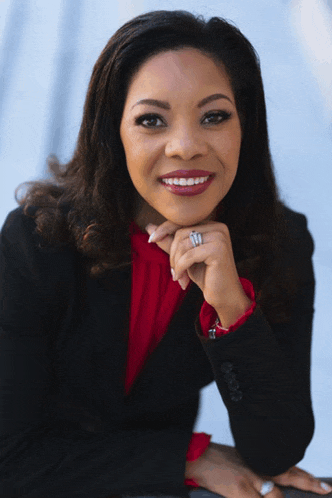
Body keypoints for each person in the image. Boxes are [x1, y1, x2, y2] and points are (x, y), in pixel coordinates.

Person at [0, 9, 331, 498]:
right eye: (151, 120)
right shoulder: (40, 241)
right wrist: (187, 456)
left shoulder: (277, 243)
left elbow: (275, 452)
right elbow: (8, 459)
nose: (185, 147)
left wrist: (231, 309)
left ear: (247, 126)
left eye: (214, 116)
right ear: (115, 133)